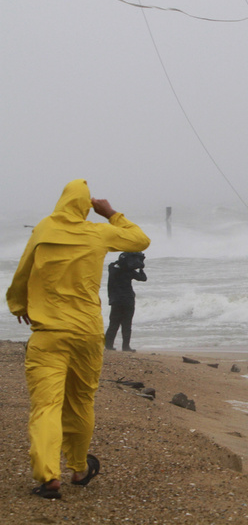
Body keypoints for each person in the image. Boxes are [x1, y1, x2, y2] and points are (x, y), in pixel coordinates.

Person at [6, 179, 150, 499]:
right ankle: (78, 468)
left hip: (49, 335)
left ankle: (48, 477)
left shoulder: (44, 228)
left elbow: (23, 270)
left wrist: (18, 304)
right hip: (86, 334)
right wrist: (111, 212)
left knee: (46, 406)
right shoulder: (97, 233)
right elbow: (140, 240)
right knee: (81, 401)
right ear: (86, 206)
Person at [104, 252, 147, 352]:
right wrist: (141, 268)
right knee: (127, 324)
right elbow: (143, 278)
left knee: (113, 324)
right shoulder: (129, 271)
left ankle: (108, 345)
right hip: (128, 300)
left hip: (116, 300)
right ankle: (126, 347)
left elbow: (114, 265)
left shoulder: (112, 268)